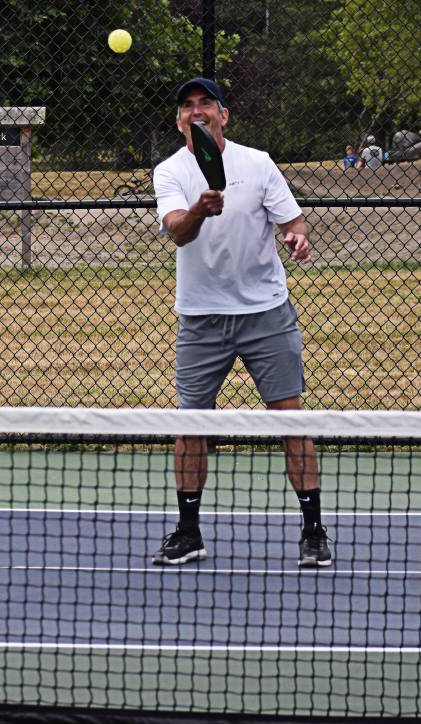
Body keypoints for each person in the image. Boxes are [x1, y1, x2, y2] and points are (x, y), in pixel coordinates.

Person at [150, 78, 332, 568]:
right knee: (191, 424)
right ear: (179, 121)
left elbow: (292, 221)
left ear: (223, 115)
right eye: (187, 106)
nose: (196, 111)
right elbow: (177, 232)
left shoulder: (258, 163)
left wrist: (296, 237)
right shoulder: (170, 171)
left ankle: (314, 531)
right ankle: (189, 532)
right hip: (201, 318)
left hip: (265, 313)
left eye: (205, 103)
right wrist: (199, 210)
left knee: (290, 419)